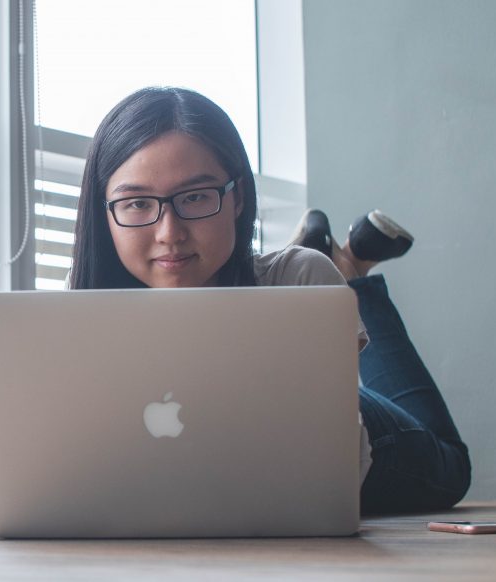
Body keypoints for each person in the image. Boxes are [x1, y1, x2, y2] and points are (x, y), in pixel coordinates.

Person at [68, 86, 470, 514]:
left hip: (372, 450)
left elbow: (327, 469)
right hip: (295, 350)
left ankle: (353, 277)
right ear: (104, 211)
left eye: (196, 197)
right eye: (137, 203)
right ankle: (347, 265)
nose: (169, 232)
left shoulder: (302, 277)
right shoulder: (72, 322)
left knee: (452, 464)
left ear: (237, 197)